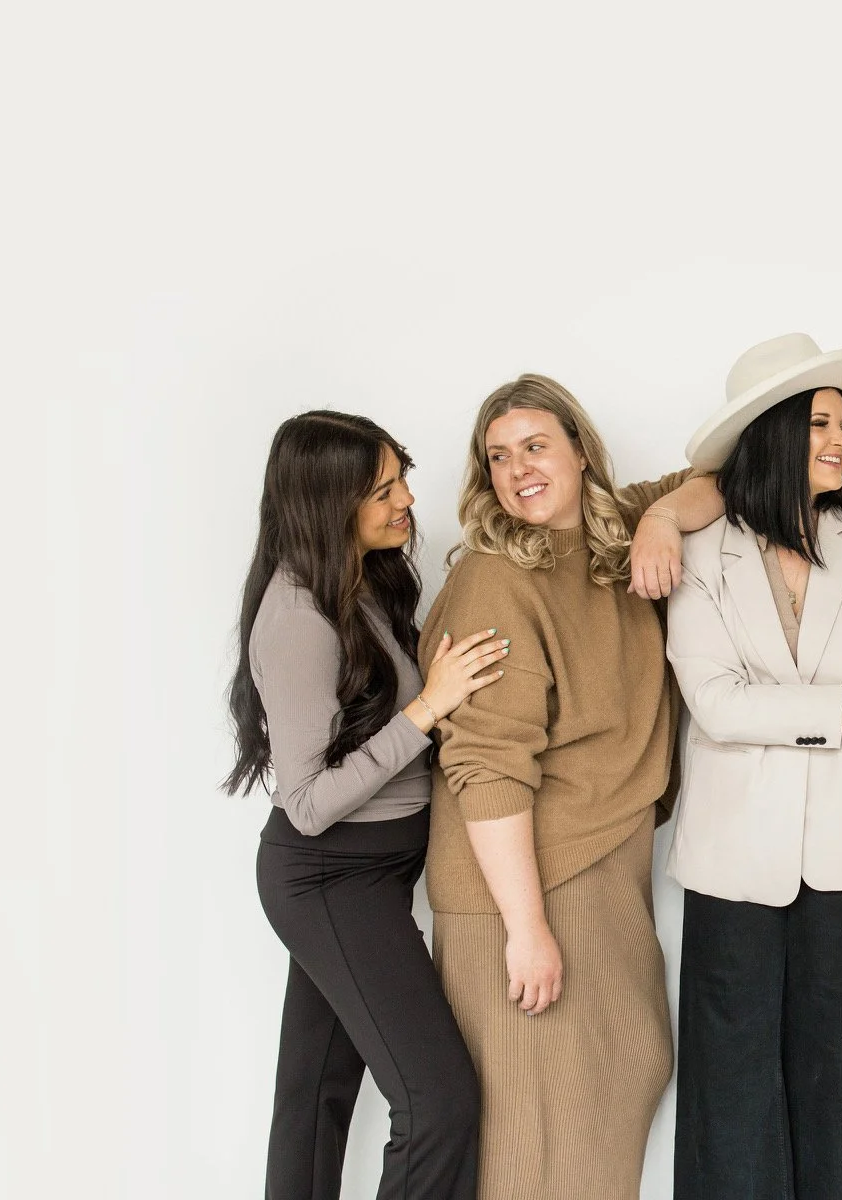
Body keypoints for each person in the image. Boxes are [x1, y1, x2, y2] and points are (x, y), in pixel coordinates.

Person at [418, 374, 723, 1200]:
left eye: (535, 445)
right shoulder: (495, 578)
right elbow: (487, 766)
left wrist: (661, 520)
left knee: (622, 1081)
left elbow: (722, 481)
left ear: (580, 450)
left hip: (606, 868)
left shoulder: (613, 534)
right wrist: (526, 929)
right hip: (523, 888)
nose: (518, 469)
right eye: (498, 456)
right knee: (537, 1143)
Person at [663, 332, 842, 1198]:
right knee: (729, 1099)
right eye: (821, 423)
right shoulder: (701, 549)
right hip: (730, 861)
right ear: (775, 431)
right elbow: (718, 704)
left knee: (837, 1090)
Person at [225, 410, 496, 1200]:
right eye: (382, 490)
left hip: (365, 876)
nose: (406, 498)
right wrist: (428, 709)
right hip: (330, 877)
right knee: (439, 1102)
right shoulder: (297, 619)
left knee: (314, 1100)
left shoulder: (361, 581)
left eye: (400, 477)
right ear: (327, 503)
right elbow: (308, 803)